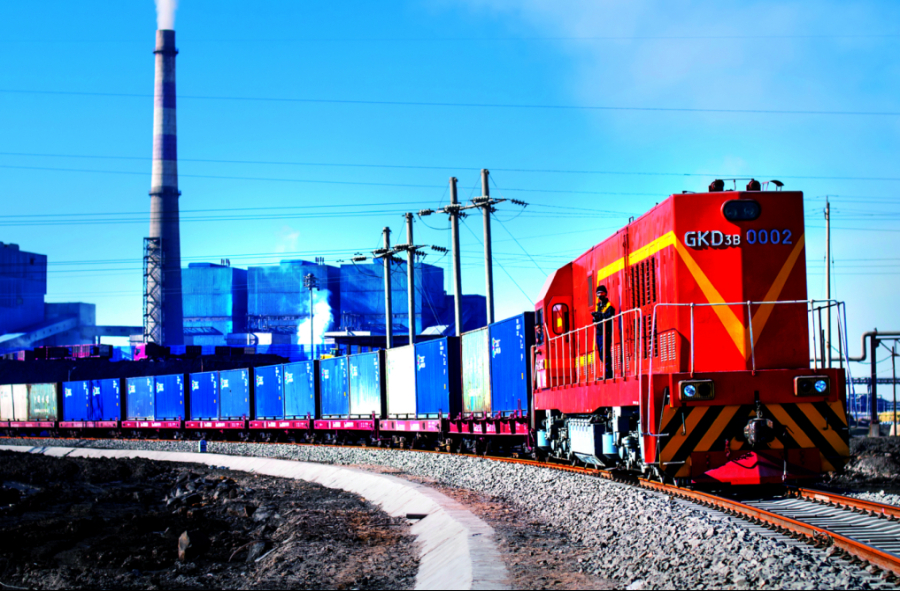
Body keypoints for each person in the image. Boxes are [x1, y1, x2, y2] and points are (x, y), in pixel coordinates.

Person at [591, 285, 616, 379]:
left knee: (605, 353)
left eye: (602, 293)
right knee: (601, 354)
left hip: (606, 332)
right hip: (599, 332)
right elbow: (598, 319)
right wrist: (595, 318)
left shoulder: (610, 305)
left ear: (606, 293)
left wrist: (599, 315)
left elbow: (609, 316)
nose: (600, 295)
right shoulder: (598, 306)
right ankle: (606, 373)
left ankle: (608, 374)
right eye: (598, 293)